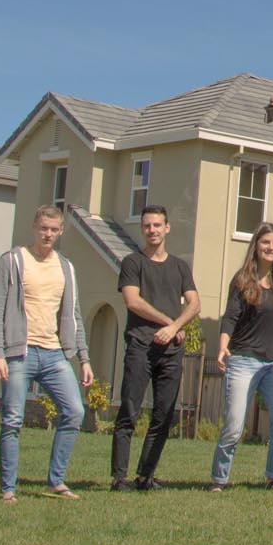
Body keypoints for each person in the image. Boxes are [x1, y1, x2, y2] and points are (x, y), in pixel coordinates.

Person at [0, 206, 92, 503]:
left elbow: (74, 315)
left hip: (54, 354)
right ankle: (8, 488)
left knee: (75, 412)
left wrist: (84, 358)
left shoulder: (66, 267)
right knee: (12, 420)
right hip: (19, 353)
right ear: (34, 227)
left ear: (61, 232)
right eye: (44, 228)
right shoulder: (13, 261)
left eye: (54, 230)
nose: (48, 234)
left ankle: (56, 480)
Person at [111, 204, 199, 491]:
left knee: (163, 415)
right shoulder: (133, 263)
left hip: (171, 351)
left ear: (167, 228)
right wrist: (170, 323)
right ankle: (119, 478)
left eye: (157, 225)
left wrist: (175, 328)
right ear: (142, 229)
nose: (152, 230)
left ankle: (145, 476)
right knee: (129, 410)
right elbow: (133, 301)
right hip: (141, 346)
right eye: (147, 225)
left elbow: (195, 303)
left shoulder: (180, 267)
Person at [209, 222, 273, 493]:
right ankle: (219, 479)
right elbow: (230, 317)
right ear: (256, 246)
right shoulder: (242, 281)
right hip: (243, 360)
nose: (271, 247)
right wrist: (223, 347)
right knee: (234, 425)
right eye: (266, 242)